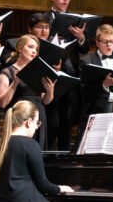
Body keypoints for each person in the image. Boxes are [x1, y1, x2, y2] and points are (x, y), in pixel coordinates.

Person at [45, 0, 90, 151]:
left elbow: (84, 49)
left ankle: (64, 164)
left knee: (67, 122)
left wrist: (81, 37)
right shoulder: (44, 18)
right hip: (50, 76)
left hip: (70, 78)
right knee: (51, 122)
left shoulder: (76, 20)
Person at [0, 35, 55, 150]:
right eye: (30, 47)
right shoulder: (8, 72)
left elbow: (46, 101)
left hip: (38, 117)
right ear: (20, 49)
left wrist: (50, 91)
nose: (34, 51)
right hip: (20, 118)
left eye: (36, 49)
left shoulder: (39, 71)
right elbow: (2, 103)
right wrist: (15, 83)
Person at [27, 12, 76, 150]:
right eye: (39, 27)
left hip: (50, 97)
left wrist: (58, 68)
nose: (44, 31)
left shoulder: (54, 46)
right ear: (30, 29)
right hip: (29, 96)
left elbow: (69, 72)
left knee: (52, 128)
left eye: (47, 27)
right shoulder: (20, 45)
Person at [78, 24, 113, 121]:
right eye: (105, 42)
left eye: (111, 41)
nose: (109, 45)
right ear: (97, 43)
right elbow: (83, 91)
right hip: (94, 113)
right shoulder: (87, 61)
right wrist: (104, 84)